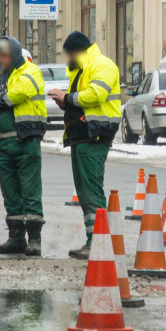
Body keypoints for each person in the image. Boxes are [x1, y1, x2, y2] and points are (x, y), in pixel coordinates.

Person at [53, 31, 122, 259]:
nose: (67, 59)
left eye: (69, 54)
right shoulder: (82, 69)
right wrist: (66, 102)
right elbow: (81, 101)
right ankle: (94, 239)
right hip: (82, 136)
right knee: (85, 191)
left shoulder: (102, 64)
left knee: (91, 190)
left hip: (95, 136)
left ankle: (99, 243)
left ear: (76, 52)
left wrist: (67, 98)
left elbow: (96, 95)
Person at [0, 36, 50, 257]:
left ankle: (35, 240)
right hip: (2, 144)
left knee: (30, 191)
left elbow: (24, 89)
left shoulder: (29, 71)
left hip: (25, 141)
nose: (2, 58)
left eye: (6, 54)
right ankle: (16, 237)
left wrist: (0, 104)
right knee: (10, 193)